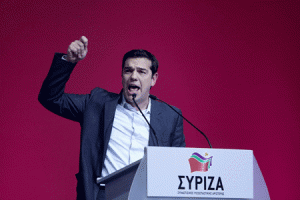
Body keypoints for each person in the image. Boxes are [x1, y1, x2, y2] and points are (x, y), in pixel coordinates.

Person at [38, 36, 185, 200]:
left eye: (142, 72)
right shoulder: (96, 103)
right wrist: (68, 61)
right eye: (128, 70)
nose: (133, 77)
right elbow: (51, 98)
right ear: (122, 76)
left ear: (153, 79)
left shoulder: (170, 116)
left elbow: (178, 168)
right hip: (104, 195)